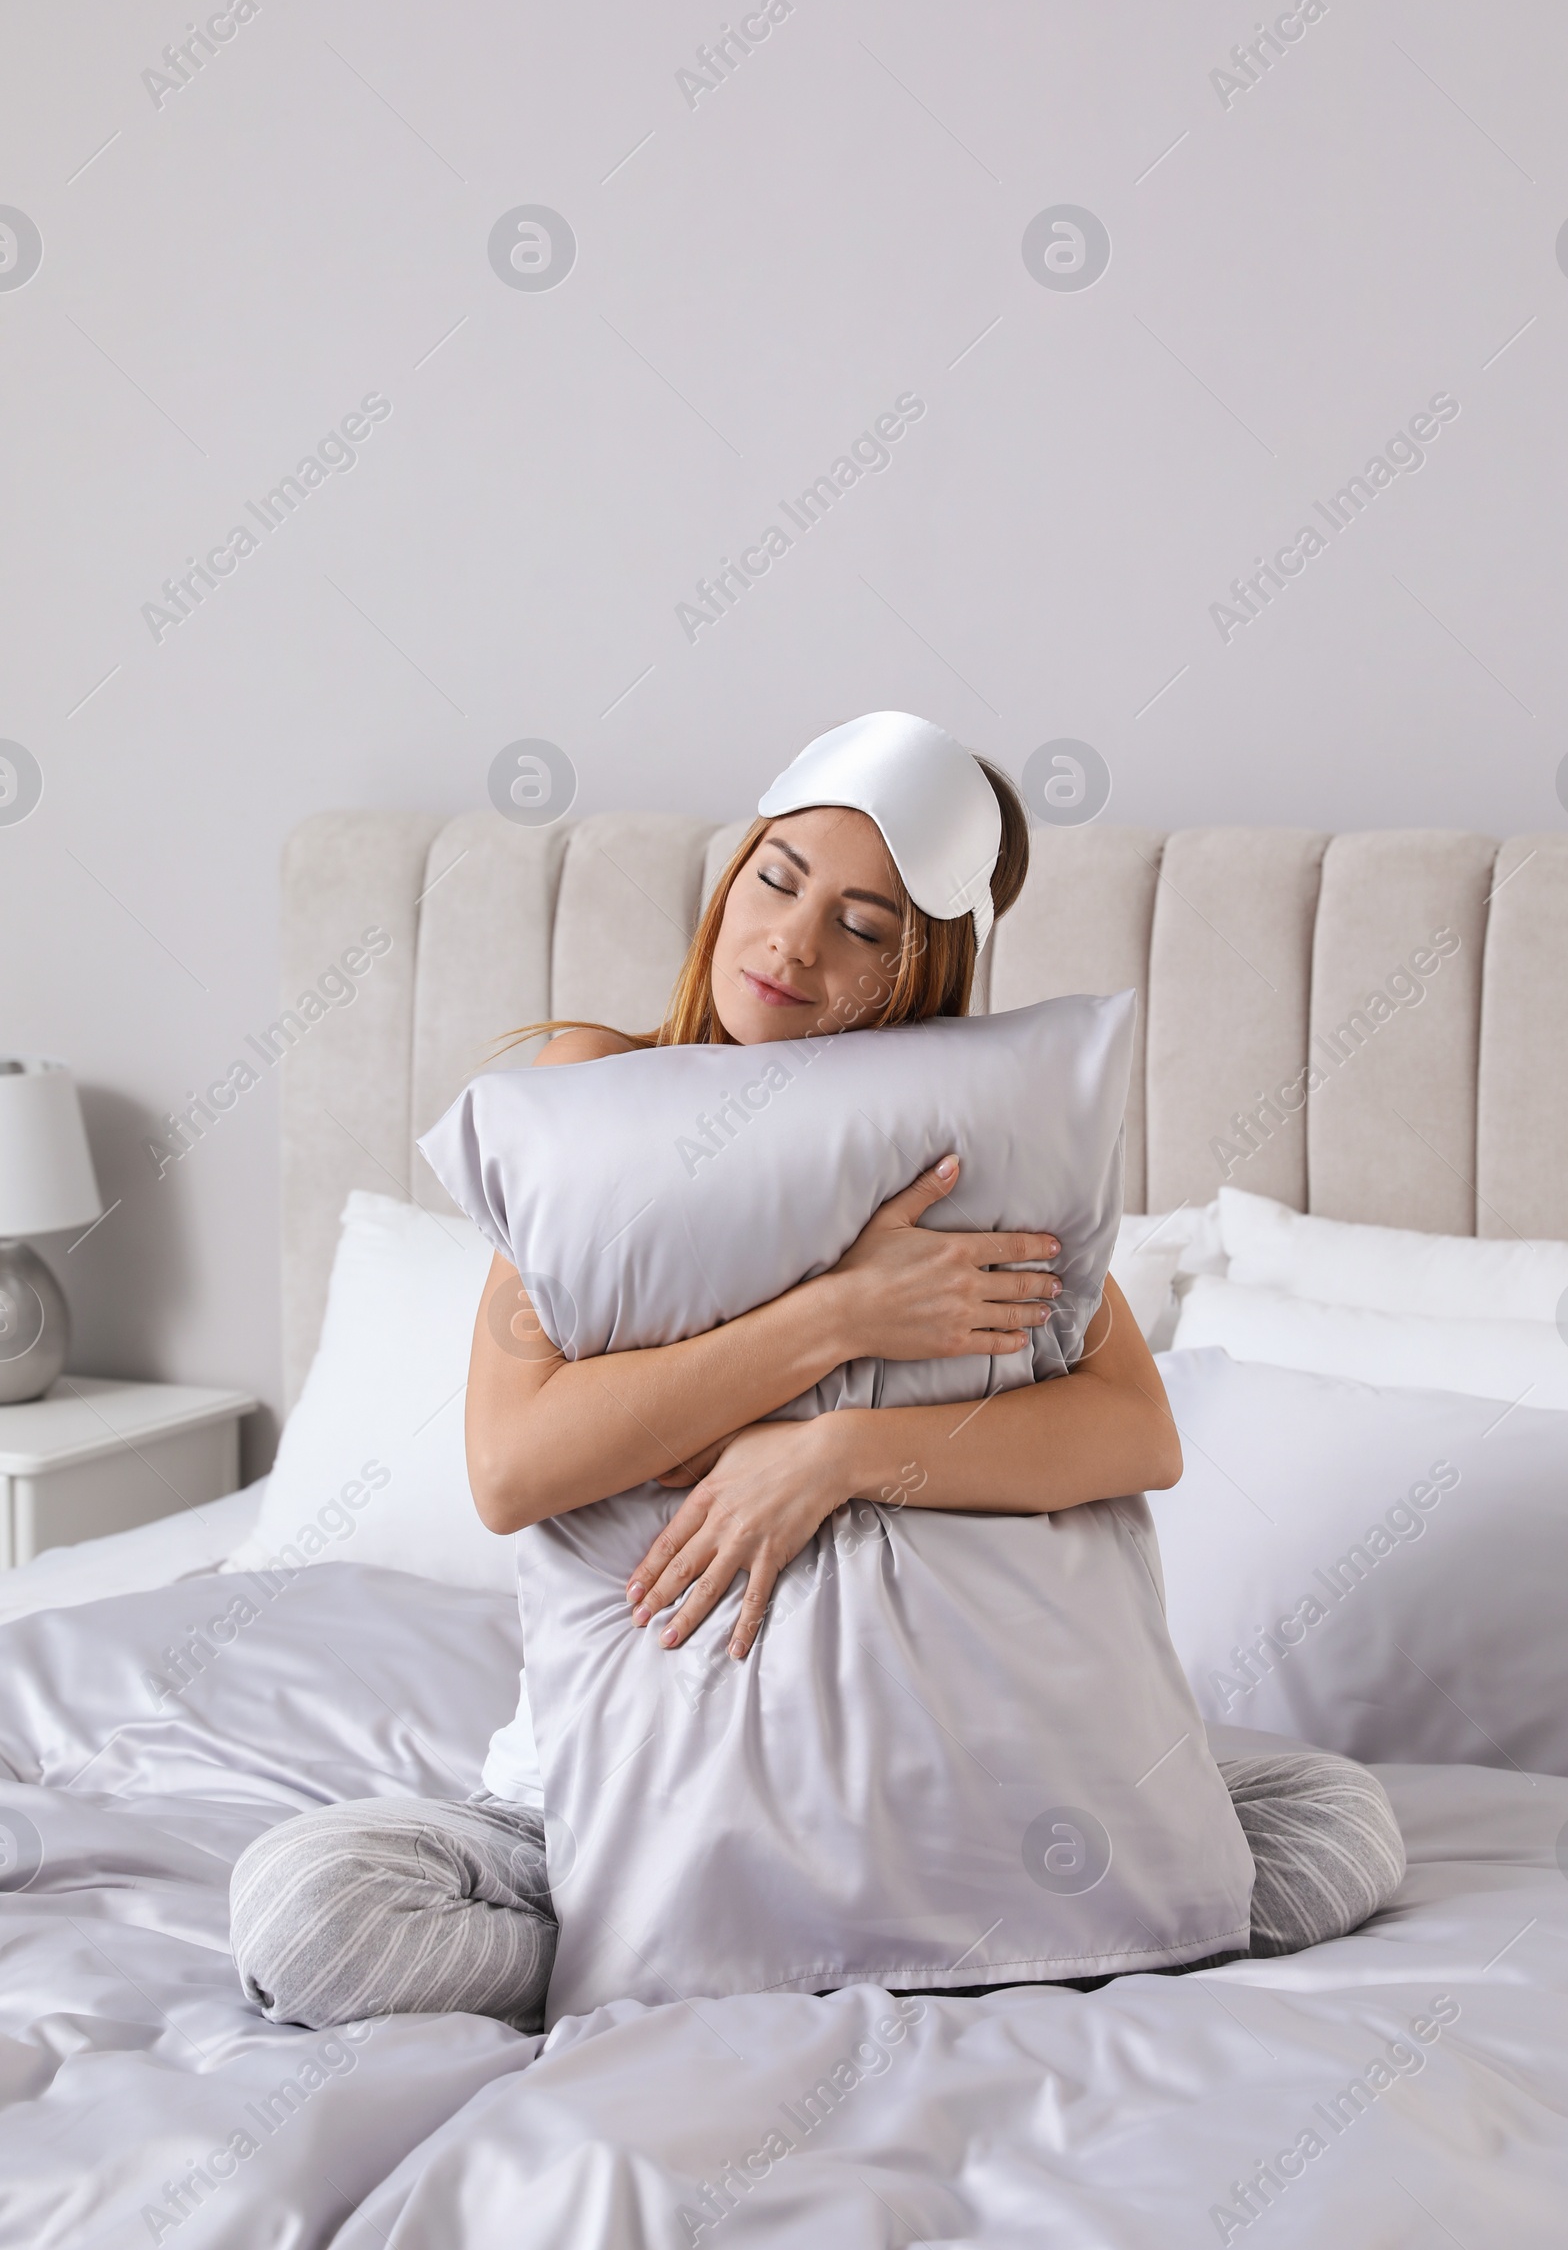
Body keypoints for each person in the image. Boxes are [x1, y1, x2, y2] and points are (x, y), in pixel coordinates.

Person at [231, 713, 1403, 2031]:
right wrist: (840, 1318)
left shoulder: (973, 1148)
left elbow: (1137, 1432)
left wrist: (832, 1456)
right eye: (778, 879)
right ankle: (741, 1936)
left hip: (968, 1792)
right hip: (599, 1805)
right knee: (312, 1917)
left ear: (923, 967)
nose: (791, 941)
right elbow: (516, 1470)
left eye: (862, 923)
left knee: (1340, 1830)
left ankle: (846, 1927)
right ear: (733, 875)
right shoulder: (597, 1098)